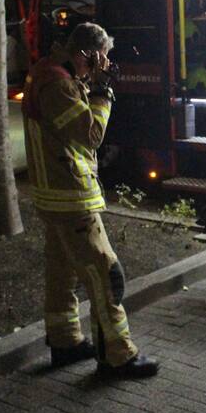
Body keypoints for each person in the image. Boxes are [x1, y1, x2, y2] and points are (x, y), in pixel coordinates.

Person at [21, 22, 158, 378]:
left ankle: (65, 341)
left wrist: (91, 79)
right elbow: (91, 135)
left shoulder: (50, 73)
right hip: (70, 197)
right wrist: (101, 90)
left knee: (62, 271)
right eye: (102, 59)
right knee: (105, 272)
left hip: (54, 195)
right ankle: (117, 355)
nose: (104, 66)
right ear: (88, 54)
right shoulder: (58, 84)